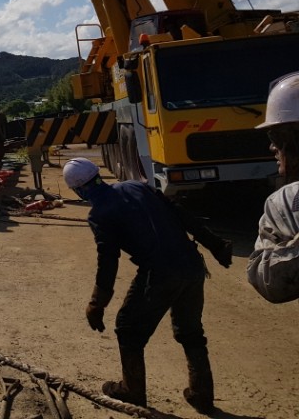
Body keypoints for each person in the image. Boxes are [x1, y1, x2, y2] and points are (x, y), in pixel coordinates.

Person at [62, 157, 233, 414]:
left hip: (160, 274)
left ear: (77, 190)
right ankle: (202, 395)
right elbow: (180, 213)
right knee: (191, 332)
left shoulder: (99, 214)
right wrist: (216, 245)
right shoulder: (136, 186)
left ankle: (132, 391)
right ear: (98, 175)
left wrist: (97, 303)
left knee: (128, 328)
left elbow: (108, 259)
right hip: (192, 265)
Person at [247, 71, 299, 303]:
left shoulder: (285, 201)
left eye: (275, 136)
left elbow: (268, 281)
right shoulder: (286, 200)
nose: (272, 147)